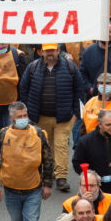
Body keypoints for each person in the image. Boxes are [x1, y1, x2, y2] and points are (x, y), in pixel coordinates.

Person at [19, 43, 86, 192]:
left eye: (52, 50)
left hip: (64, 117)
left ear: (58, 51)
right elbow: (23, 88)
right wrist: (27, 111)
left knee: (61, 145)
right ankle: (49, 172)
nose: (50, 53)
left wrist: (76, 113)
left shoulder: (70, 67)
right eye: (47, 51)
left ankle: (61, 177)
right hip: (41, 117)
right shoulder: (32, 68)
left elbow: (79, 89)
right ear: (41, 52)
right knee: (46, 146)